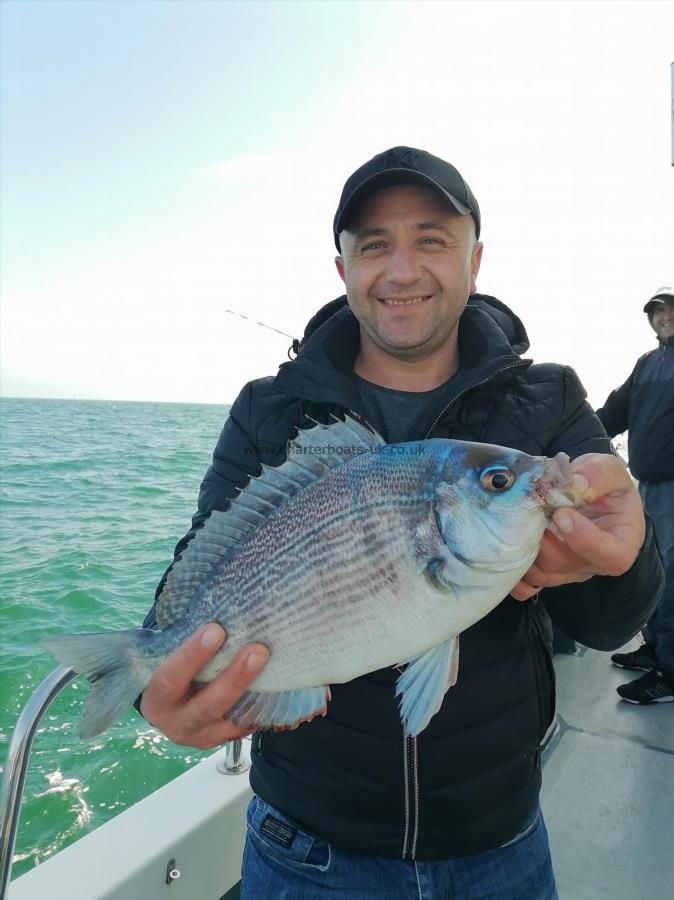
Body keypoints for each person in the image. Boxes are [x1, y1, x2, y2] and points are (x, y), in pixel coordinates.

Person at [139, 147, 663, 899]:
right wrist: (153, 685)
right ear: (343, 268)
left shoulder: (546, 404)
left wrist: (630, 555)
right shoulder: (270, 410)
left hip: (502, 846)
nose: (403, 270)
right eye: (374, 245)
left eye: (432, 239)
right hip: (305, 852)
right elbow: (196, 573)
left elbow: (612, 624)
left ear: (475, 261)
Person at [596, 287, 674, 704]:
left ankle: (672, 674)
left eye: (670, 310)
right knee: (650, 570)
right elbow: (615, 411)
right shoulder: (647, 363)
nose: (664, 318)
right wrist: (574, 437)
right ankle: (656, 650)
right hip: (647, 486)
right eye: (657, 312)